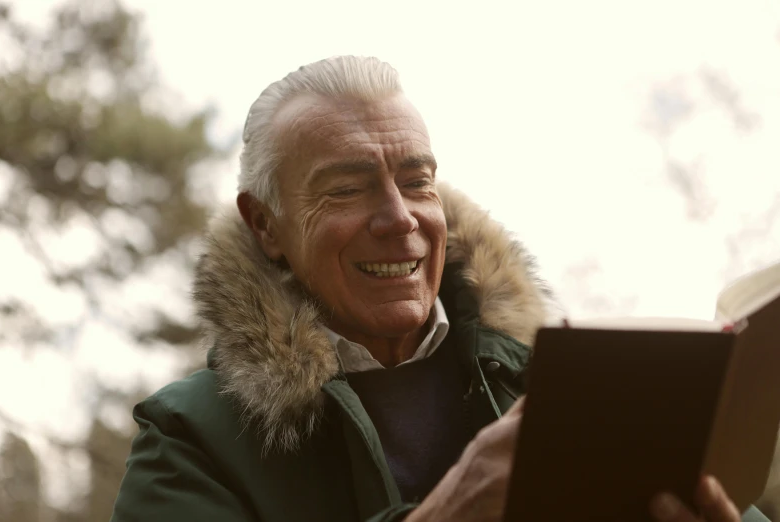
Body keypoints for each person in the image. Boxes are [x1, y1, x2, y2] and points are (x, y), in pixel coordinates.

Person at [110, 56, 769, 522]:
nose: (399, 218)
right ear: (265, 225)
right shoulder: (188, 441)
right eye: (346, 188)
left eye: (416, 180)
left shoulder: (564, 387)